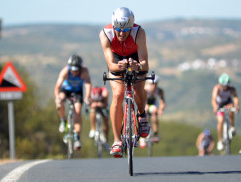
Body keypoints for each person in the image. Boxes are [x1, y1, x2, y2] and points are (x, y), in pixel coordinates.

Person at [99, 7, 150, 157]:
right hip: (116, 61)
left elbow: (145, 64)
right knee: (118, 94)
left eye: (126, 30)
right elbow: (111, 65)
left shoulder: (139, 33)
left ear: (131, 26)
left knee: (138, 90)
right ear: (113, 26)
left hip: (135, 59)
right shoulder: (105, 34)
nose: (121, 34)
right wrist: (118, 66)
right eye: (118, 30)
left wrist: (138, 66)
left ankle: (142, 116)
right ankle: (116, 140)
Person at [54, 54, 92, 151]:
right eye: (73, 69)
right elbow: (57, 87)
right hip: (65, 90)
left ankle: (77, 137)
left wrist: (87, 97)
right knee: (61, 100)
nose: (74, 72)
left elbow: (88, 85)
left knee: (78, 110)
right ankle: (63, 120)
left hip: (77, 92)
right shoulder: (65, 71)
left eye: (76, 70)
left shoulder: (84, 71)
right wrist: (57, 97)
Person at [211, 73, 240, 151]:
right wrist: (215, 107)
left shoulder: (231, 89)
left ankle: (232, 126)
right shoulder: (217, 88)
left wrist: (236, 106)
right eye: (224, 85)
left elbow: (235, 98)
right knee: (220, 121)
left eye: (227, 85)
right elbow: (214, 99)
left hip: (228, 103)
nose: (225, 87)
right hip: (219, 105)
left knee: (231, 110)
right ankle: (220, 140)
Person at [139, 75, 165, 148]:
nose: (153, 85)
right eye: (152, 84)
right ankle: (142, 135)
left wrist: (161, 109)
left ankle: (156, 134)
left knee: (154, 111)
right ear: (148, 84)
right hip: (145, 103)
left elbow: (162, 102)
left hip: (153, 104)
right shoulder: (145, 90)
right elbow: (141, 101)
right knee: (145, 111)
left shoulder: (160, 91)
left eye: (155, 84)